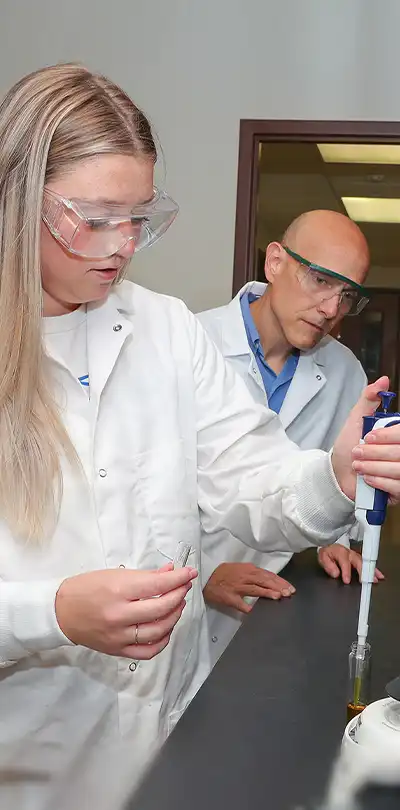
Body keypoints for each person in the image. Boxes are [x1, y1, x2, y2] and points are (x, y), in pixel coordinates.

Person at [0, 64, 400, 795]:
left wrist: (336, 472)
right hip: (28, 763)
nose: (122, 245)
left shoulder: (163, 329)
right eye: (95, 220)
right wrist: (49, 613)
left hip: (166, 732)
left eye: (141, 218)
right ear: (19, 199)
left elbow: (252, 476)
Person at [198, 210, 384, 666]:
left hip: (280, 609)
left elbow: (344, 482)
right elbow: (133, 494)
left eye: (347, 295)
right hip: (180, 604)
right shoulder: (190, 344)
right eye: (320, 280)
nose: (331, 309)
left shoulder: (344, 373)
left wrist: (335, 537)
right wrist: (198, 574)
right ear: (275, 262)